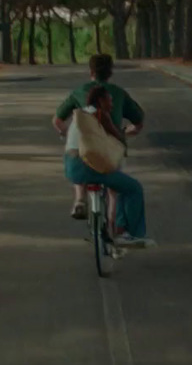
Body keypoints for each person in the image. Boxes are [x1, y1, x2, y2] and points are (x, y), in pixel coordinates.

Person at [57, 83, 153, 249]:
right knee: (132, 188)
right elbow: (117, 138)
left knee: (116, 182)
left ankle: (81, 200)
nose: (112, 104)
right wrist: (123, 136)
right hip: (91, 168)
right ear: (100, 101)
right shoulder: (101, 115)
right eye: (110, 100)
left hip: (72, 170)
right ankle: (126, 233)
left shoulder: (80, 115)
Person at [53, 54, 144, 218]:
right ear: (110, 72)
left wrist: (68, 132)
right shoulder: (119, 93)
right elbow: (138, 123)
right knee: (113, 192)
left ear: (91, 71)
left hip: (85, 151)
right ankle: (114, 228)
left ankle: (80, 199)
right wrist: (124, 132)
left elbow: (57, 120)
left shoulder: (79, 91)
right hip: (110, 150)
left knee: (79, 152)